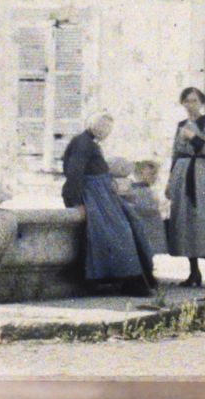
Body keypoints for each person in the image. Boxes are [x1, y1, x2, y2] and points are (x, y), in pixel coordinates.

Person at [61, 112, 157, 294]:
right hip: (93, 195)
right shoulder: (82, 143)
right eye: (103, 127)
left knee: (133, 222)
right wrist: (76, 202)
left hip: (104, 193)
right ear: (93, 125)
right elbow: (74, 174)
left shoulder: (90, 143)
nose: (106, 132)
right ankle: (130, 282)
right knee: (120, 231)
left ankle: (141, 277)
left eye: (108, 128)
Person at [165, 86, 205, 288]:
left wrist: (193, 137)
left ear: (201, 102)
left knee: (204, 220)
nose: (191, 105)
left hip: (200, 174)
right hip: (182, 173)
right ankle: (193, 272)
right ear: (182, 103)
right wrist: (170, 180)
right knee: (186, 221)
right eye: (187, 101)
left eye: (195, 100)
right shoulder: (181, 124)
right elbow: (175, 153)